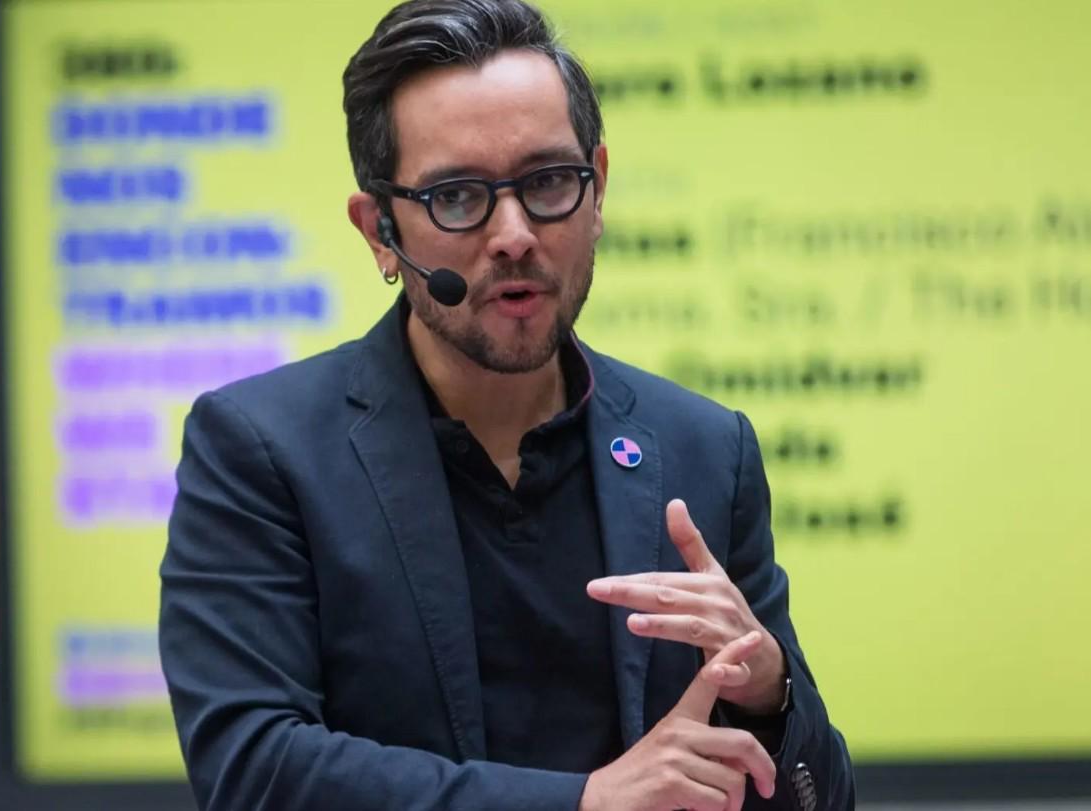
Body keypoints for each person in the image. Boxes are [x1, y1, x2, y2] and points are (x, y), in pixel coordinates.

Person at [158, 1, 855, 808]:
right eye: (457, 196)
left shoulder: (703, 446)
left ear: (597, 188)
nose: (514, 234)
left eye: (548, 182)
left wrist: (768, 693)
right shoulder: (262, 448)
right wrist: (583, 801)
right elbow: (253, 770)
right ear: (379, 230)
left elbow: (819, 798)